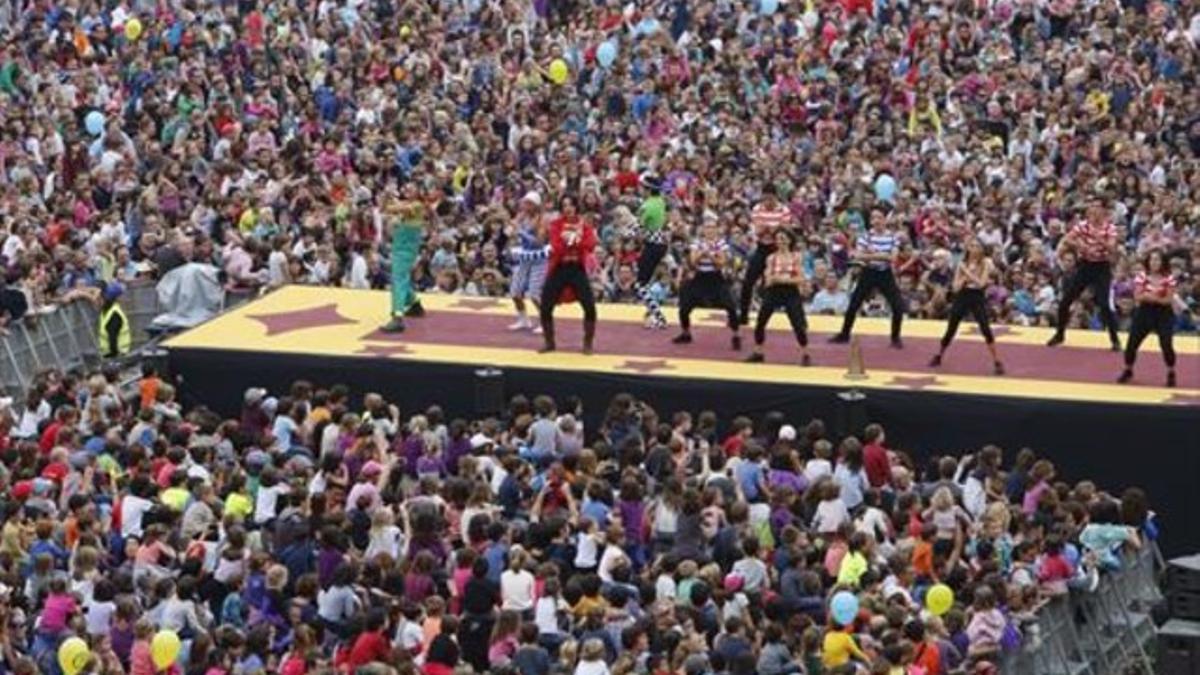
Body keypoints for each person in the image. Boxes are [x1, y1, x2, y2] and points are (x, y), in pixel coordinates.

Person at [1047, 201, 1121, 350]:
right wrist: (1081, 246)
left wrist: (1099, 239)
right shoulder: (1083, 225)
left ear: (1103, 212)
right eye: (1091, 210)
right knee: (1066, 300)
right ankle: (1060, 334)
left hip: (1102, 267)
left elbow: (1112, 248)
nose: (1093, 214)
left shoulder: (1110, 228)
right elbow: (1068, 238)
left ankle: (1115, 340)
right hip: (1085, 265)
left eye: (1097, 210)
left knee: (1104, 304)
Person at [829, 208, 905, 348]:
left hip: (885, 274)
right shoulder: (865, 236)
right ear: (870, 221)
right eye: (874, 218)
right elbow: (858, 256)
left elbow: (893, 258)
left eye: (879, 217)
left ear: (885, 220)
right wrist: (882, 255)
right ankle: (844, 334)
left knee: (897, 306)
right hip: (869, 272)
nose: (876, 221)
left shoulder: (892, 237)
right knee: (854, 303)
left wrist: (871, 254)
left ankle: (895, 338)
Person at [929, 238, 1005, 375]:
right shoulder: (962, 263)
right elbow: (956, 287)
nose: (974, 248)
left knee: (985, 327)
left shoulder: (986, 262)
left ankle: (997, 360)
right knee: (951, 327)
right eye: (972, 246)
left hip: (977, 296)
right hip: (963, 295)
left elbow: (981, 284)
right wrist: (965, 278)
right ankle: (939, 354)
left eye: (977, 246)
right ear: (968, 248)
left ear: (981, 249)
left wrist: (967, 273)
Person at [671, 214, 741, 350]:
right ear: (703, 230)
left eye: (712, 228)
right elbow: (693, 261)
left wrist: (707, 254)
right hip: (700, 277)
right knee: (684, 306)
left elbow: (721, 263)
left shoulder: (721, 243)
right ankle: (686, 333)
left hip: (716, 278)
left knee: (730, 306)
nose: (710, 230)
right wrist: (709, 255)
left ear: (716, 230)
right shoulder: (697, 242)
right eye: (707, 227)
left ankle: (736, 335)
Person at [539, 196, 598, 354]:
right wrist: (574, 241)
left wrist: (573, 241)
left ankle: (588, 343)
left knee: (589, 305)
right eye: (564, 205)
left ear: (576, 206)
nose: (568, 208)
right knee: (545, 305)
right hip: (560, 267)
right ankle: (549, 342)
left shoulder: (584, 225)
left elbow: (591, 245)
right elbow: (556, 247)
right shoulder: (556, 225)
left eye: (571, 204)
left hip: (576, 268)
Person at [745, 229, 812, 366]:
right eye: (778, 239)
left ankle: (806, 353)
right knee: (761, 322)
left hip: (790, 292)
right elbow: (768, 280)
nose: (781, 242)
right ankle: (758, 352)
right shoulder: (771, 258)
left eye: (783, 238)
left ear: (789, 240)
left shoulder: (796, 257)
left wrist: (780, 279)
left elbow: (800, 279)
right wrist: (785, 278)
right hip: (773, 291)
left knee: (798, 324)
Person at [1118, 250, 1178, 387]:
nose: (1154, 263)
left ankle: (1171, 371)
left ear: (1163, 262)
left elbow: (1168, 300)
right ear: (1148, 262)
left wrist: (1150, 296)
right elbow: (1138, 296)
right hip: (1144, 312)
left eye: (1157, 260)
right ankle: (1128, 369)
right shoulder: (1142, 276)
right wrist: (1156, 297)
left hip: (1163, 314)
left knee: (1166, 344)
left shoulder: (1169, 278)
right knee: (1132, 343)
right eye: (1152, 260)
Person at [738, 185, 792, 327]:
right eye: (765, 199)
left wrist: (769, 229)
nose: (767, 202)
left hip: (778, 249)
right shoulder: (757, 208)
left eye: (770, 199)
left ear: (775, 197)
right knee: (748, 281)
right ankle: (743, 315)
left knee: (783, 284)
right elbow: (758, 231)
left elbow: (784, 232)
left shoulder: (784, 210)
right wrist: (771, 229)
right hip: (762, 248)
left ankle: (795, 316)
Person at [381, 183, 428, 333]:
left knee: (398, 280)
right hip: (399, 248)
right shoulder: (405, 204)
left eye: (411, 188)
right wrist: (386, 196)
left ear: (419, 192)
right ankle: (415, 305)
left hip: (406, 250)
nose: (407, 190)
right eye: (406, 188)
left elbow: (395, 209)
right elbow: (384, 208)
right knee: (401, 278)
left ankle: (397, 317)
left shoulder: (418, 205)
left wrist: (391, 200)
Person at [508, 192, 549, 334]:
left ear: (536, 206)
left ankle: (545, 322)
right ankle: (523, 319)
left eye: (529, 203)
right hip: (524, 257)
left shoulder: (543, 220)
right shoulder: (522, 216)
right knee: (515, 292)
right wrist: (512, 230)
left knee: (534, 294)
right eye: (525, 203)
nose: (525, 206)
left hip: (539, 259)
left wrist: (520, 232)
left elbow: (539, 242)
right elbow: (510, 231)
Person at [634, 177, 671, 330]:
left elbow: (638, 229)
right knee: (646, 282)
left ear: (648, 190)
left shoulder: (646, 206)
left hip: (653, 245)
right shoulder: (660, 201)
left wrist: (624, 229)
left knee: (641, 284)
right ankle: (653, 314)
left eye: (643, 187)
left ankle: (658, 316)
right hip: (660, 243)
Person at [99, 282, 131, 358]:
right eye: (122, 295)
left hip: (108, 353)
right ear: (117, 298)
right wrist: (115, 355)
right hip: (116, 355)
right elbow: (112, 337)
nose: (125, 298)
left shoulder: (108, 310)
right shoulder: (115, 314)